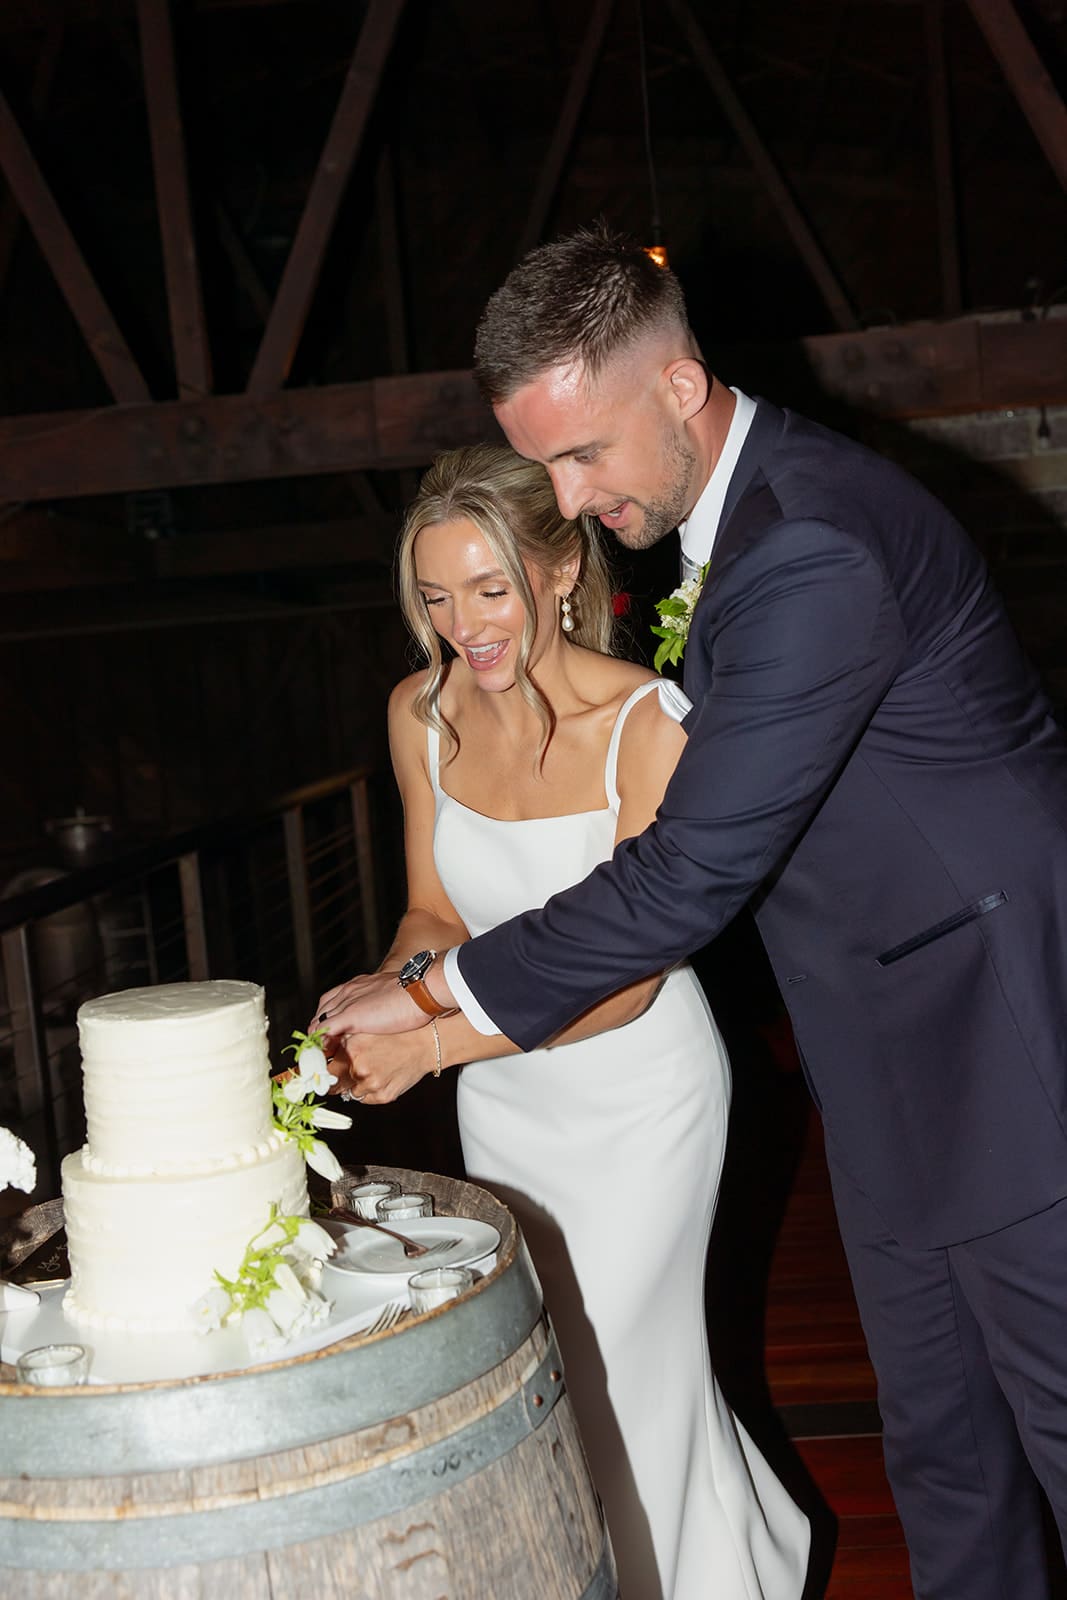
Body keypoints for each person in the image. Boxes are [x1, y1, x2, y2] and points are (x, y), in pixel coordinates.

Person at [317, 224, 1067, 1600]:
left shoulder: (811, 546)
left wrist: (431, 1013)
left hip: (1000, 1043)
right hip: (886, 1049)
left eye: (581, 454)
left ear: (677, 387)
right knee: (944, 1457)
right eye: (538, 460)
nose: (563, 492)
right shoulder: (738, 528)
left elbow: (688, 875)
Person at [321, 441, 810, 1599]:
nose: (462, 626)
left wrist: (429, 1038)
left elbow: (628, 978)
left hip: (640, 1090)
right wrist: (379, 988)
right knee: (561, 1371)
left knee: (628, 1362)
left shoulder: (648, 722)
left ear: (555, 570)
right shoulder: (419, 713)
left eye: (488, 589)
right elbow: (433, 907)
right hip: (509, 1103)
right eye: (435, 598)